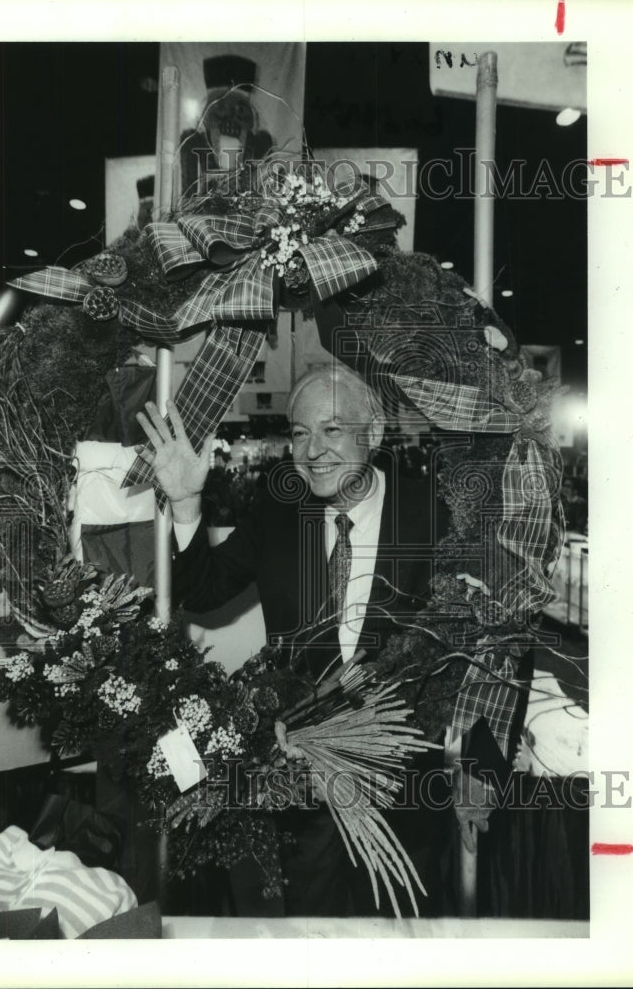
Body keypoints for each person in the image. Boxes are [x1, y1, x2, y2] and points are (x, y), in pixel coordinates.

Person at [135, 363, 508, 916]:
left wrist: (482, 771)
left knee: (398, 938)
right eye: (301, 434)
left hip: (404, 791)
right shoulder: (279, 511)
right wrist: (187, 504)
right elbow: (205, 591)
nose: (312, 451)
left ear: (374, 431)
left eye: (332, 430)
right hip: (303, 785)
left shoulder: (435, 516)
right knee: (313, 935)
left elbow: (486, 646)